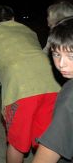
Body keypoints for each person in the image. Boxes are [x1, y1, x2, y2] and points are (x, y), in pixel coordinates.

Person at [0, 5, 61, 163]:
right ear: (13, 19)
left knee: (17, 144)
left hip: (21, 89)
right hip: (53, 84)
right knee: (47, 142)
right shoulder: (29, 30)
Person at [33, 16, 73, 163]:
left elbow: (50, 152)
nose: (62, 64)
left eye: (71, 55)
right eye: (57, 54)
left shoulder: (70, 94)